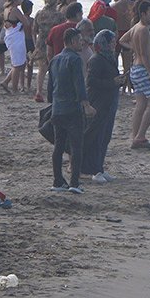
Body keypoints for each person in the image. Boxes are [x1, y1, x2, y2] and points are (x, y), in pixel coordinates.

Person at [47, 28, 92, 193]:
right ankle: (74, 182)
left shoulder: (55, 59)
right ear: (72, 41)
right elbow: (79, 85)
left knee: (58, 146)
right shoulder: (75, 59)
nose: (82, 43)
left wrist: (53, 102)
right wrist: (86, 104)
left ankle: (58, 180)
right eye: (79, 40)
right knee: (76, 146)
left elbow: (50, 88)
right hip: (72, 109)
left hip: (57, 109)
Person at [119, 1, 150, 149]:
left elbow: (122, 40)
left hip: (136, 69)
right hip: (144, 70)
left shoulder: (136, 28)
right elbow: (144, 55)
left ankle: (135, 136)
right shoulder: (143, 30)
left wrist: (134, 48)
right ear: (143, 14)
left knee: (142, 103)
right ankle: (140, 136)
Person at [82, 29, 123, 184]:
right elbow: (91, 81)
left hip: (109, 102)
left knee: (105, 136)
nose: (114, 44)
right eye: (111, 42)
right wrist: (112, 82)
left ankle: (99, 167)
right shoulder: (96, 59)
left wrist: (119, 82)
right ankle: (94, 170)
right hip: (99, 102)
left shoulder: (109, 57)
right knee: (96, 136)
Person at [32, 0, 62, 103]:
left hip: (41, 41)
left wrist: (35, 43)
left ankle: (38, 92)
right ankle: (53, 91)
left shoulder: (39, 13)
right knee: (54, 68)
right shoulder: (58, 15)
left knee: (42, 69)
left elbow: (34, 30)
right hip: (53, 42)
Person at [2, 0, 30, 94]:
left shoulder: (6, 9)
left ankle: (6, 82)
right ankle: (14, 88)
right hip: (16, 37)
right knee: (17, 65)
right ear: (15, 0)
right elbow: (26, 22)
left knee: (19, 63)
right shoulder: (15, 10)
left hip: (10, 35)